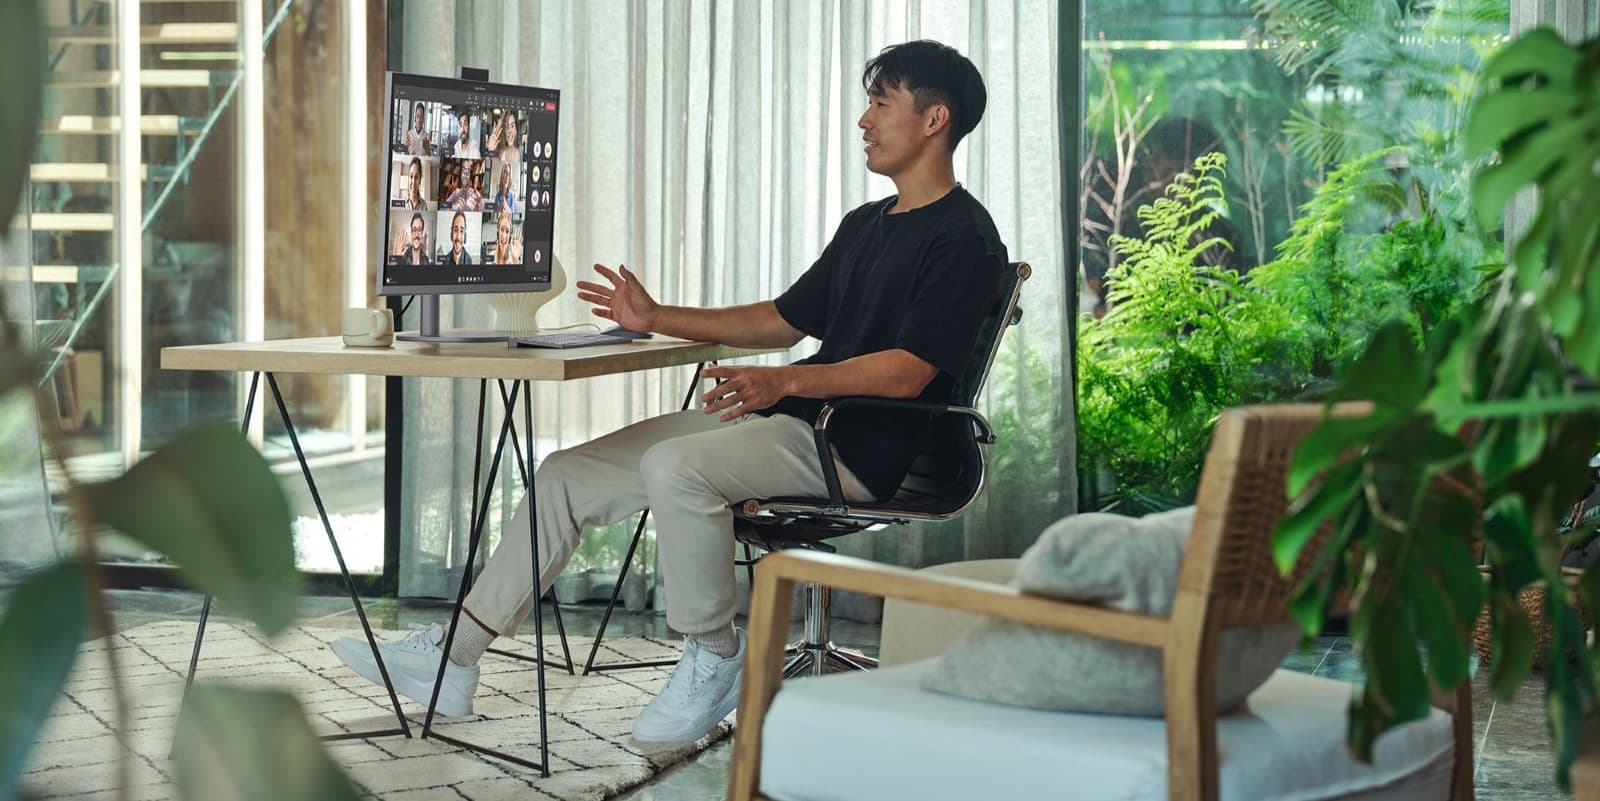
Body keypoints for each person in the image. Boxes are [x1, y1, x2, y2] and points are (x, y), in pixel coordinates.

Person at [333, 40, 1005, 747]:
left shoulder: (963, 237)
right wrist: (656, 318)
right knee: (566, 474)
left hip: (868, 447)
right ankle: (455, 658)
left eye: (880, 104)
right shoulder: (867, 225)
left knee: (679, 467)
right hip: (798, 423)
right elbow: (780, 317)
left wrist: (786, 379)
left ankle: (713, 653)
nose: (864, 121)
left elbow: (908, 372)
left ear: (935, 120)